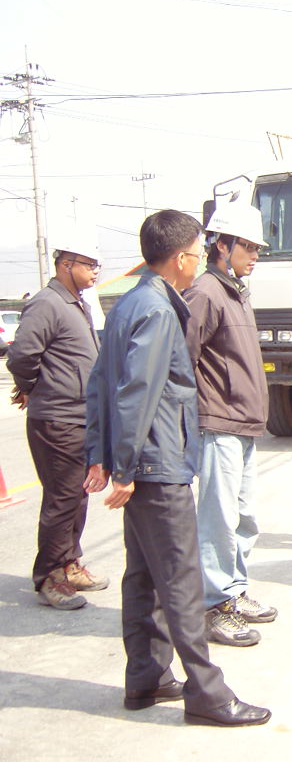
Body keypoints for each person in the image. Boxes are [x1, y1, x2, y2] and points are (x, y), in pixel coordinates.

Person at [84, 209, 269, 726]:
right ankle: (208, 694)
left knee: (143, 576)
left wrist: (99, 453)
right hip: (156, 463)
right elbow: (136, 390)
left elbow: (101, 381)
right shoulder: (160, 309)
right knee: (182, 582)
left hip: (140, 459)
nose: (196, 261)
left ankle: (146, 677)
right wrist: (119, 467)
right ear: (179, 257)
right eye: (194, 252)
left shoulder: (129, 303)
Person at [184, 202, 275, 648]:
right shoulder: (204, 292)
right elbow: (181, 361)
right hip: (218, 423)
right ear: (221, 244)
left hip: (244, 424)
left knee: (243, 517)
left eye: (258, 247)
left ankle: (234, 593)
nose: (255, 254)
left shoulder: (236, 289)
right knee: (218, 519)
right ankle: (213, 607)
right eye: (248, 246)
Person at [6, 232, 106, 610]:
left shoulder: (75, 302)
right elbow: (21, 356)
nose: (95, 271)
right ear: (66, 265)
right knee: (62, 498)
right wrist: (31, 386)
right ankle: (50, 575)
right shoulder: (47, 303)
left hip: (79, 415)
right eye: (89, 264)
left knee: (76, 496)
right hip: (57, 418)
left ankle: (69, 562)